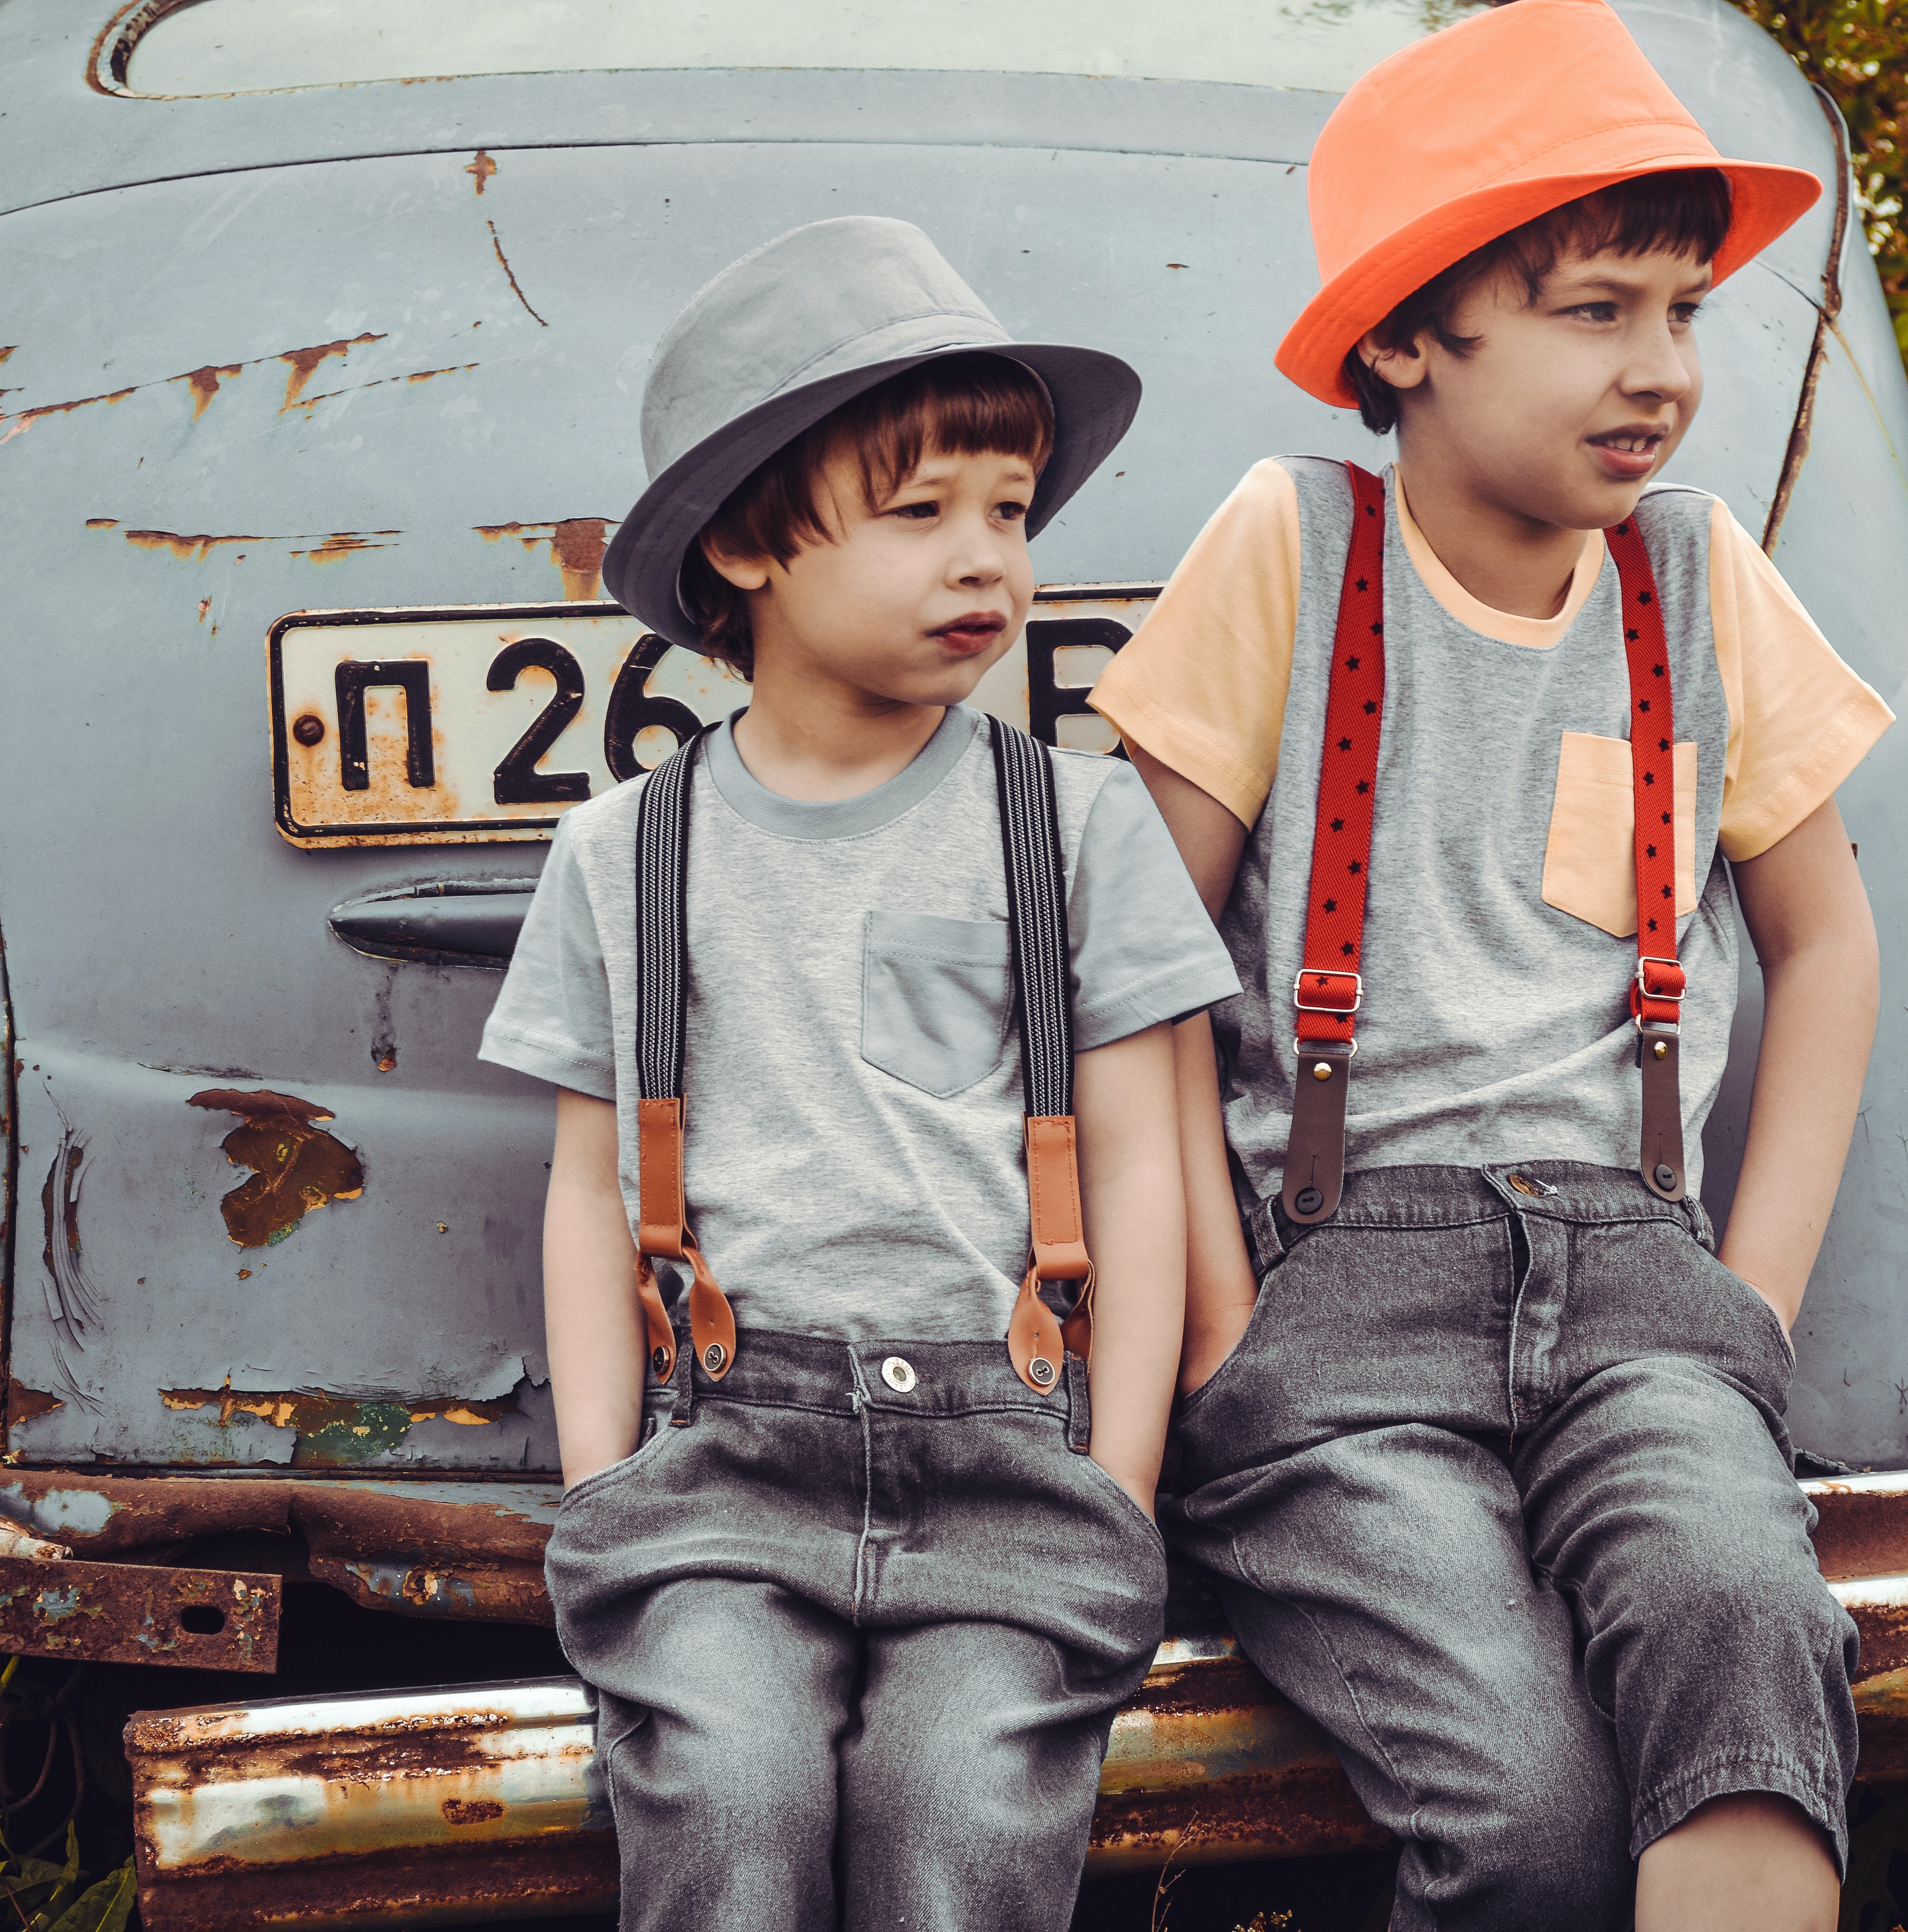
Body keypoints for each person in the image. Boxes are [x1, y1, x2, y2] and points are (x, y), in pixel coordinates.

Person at [1088, 5, 1894, 1927]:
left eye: (1683, 312)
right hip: (1339, 1307)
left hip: (1640, 1289)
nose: (1661, 370)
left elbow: (1829, 943)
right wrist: (1220, 1326)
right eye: (1594, 310)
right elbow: (1126, 968)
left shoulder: (1699, 583)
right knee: (1524, 1806)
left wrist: (1750, 1308)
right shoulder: (1292, 548)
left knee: (1744, 1651)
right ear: (1403, 340)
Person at [481, 216, 1236, 1932]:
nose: (989, 561)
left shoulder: (1076, 824)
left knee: (962, 1809)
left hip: (1011, 1461)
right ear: (749, 543)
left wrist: (1116, 1481)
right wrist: (605, 1483)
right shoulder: (624, 855)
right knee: (727, 1796)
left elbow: (1136, 1171)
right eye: (921, 514)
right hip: (725, 1471)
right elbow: (586, 1196)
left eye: (1010, 513)